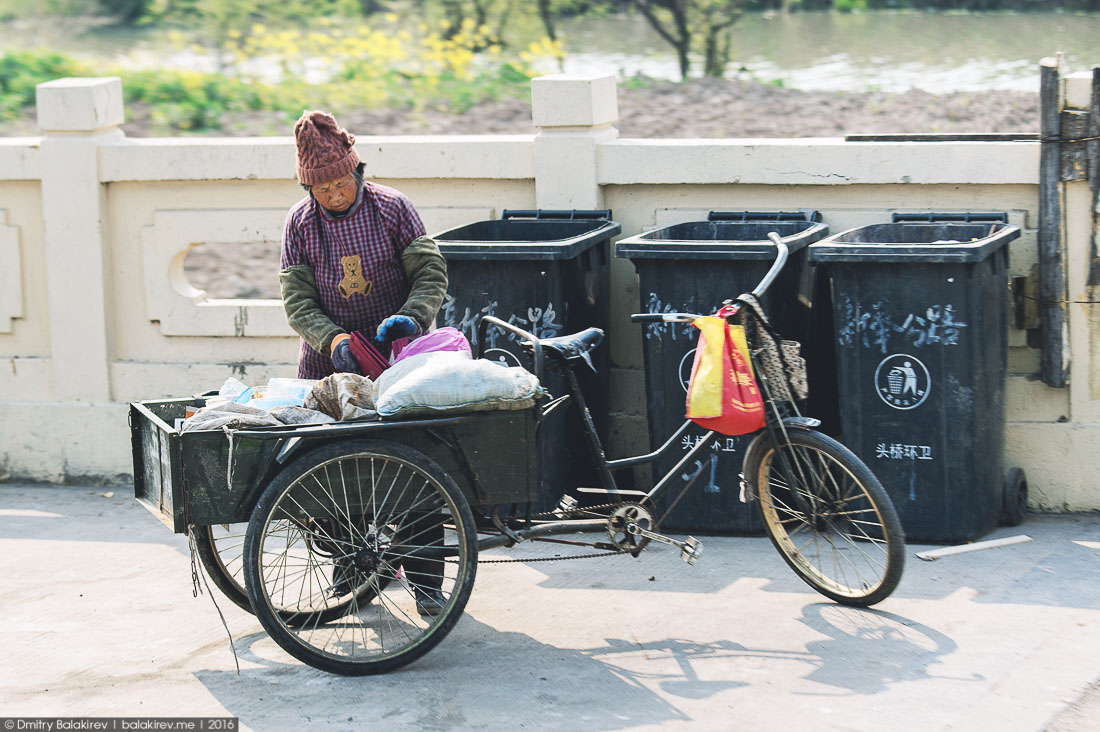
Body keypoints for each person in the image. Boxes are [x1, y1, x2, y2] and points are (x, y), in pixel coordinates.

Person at [279, 110, 448, 616]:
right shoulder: (299, 224)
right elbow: (297, 302)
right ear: (309, 188)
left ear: (358, 171)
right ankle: (352, 572)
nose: (334, 193)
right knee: (336, 473)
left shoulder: (393, 209)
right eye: (322, 186)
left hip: (397, 359)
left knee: (415, 472)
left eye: (341, 181)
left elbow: (430, 273)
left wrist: (412, 319)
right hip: (329, 365)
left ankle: (427, 583)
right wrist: (331, 340)